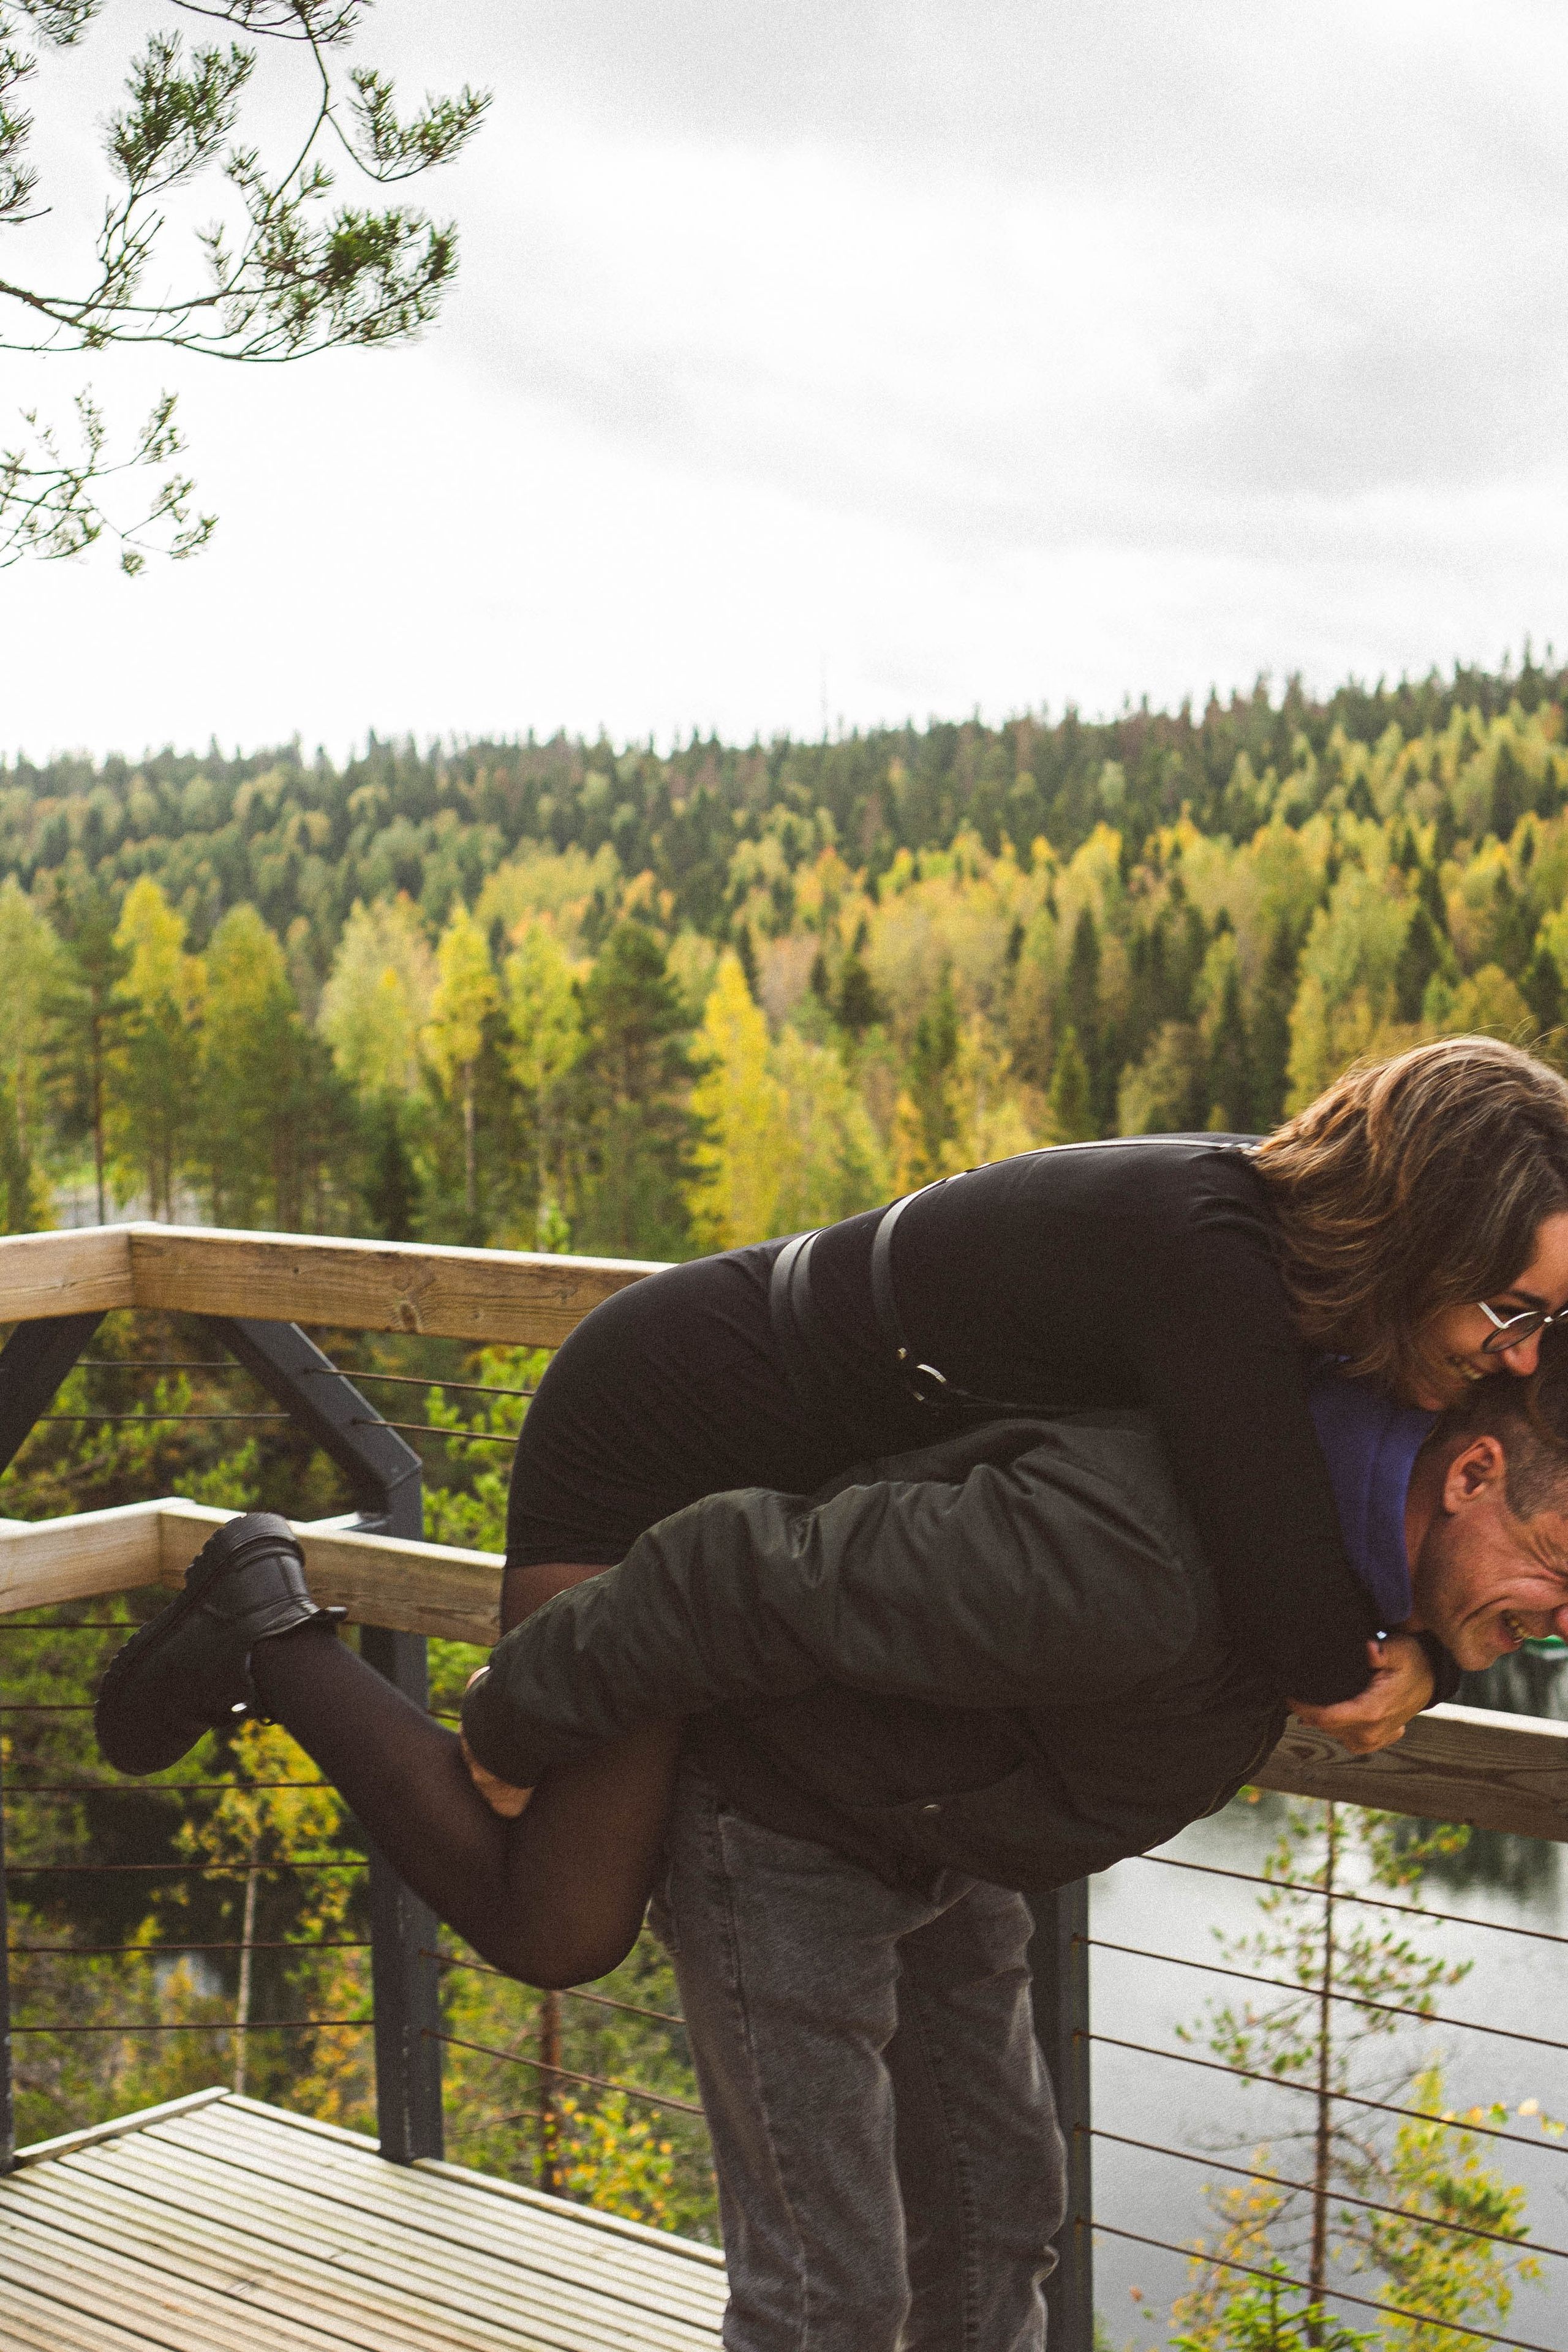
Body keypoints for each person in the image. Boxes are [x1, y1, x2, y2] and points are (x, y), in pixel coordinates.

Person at [96, 1335, 1568, 2352]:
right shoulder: (1129, 1551)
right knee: (830, 2297)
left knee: (997, 2229)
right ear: (1464, 1477)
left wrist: (1440, 1653)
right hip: (781, 1828)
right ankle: (274, 1633)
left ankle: (271, 1629)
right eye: (1554, 1574)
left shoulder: (1342, 1534)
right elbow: (740, 1568)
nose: (1555, 1618)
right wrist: (512, 1726)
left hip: (948, 1834)